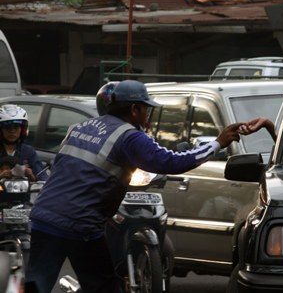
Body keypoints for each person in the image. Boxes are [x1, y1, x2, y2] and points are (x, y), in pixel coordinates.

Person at [24, 80, 245, 293]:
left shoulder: (80, 127)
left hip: (45, 216)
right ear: (134, 109)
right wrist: (218, 142)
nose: (147, 114)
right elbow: (172, 161)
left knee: (37, 283)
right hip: (80, 223)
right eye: (145, 108)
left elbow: (74, 170)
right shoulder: (128, 136)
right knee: (103, 287)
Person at [0, 104, 48, 181]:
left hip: (24, 192)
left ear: (22, 130)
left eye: (16, 127)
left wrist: (31, 175)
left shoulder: (28, 151)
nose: (12, 131)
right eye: (7, 127)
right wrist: (1, 176)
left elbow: (43, 178)